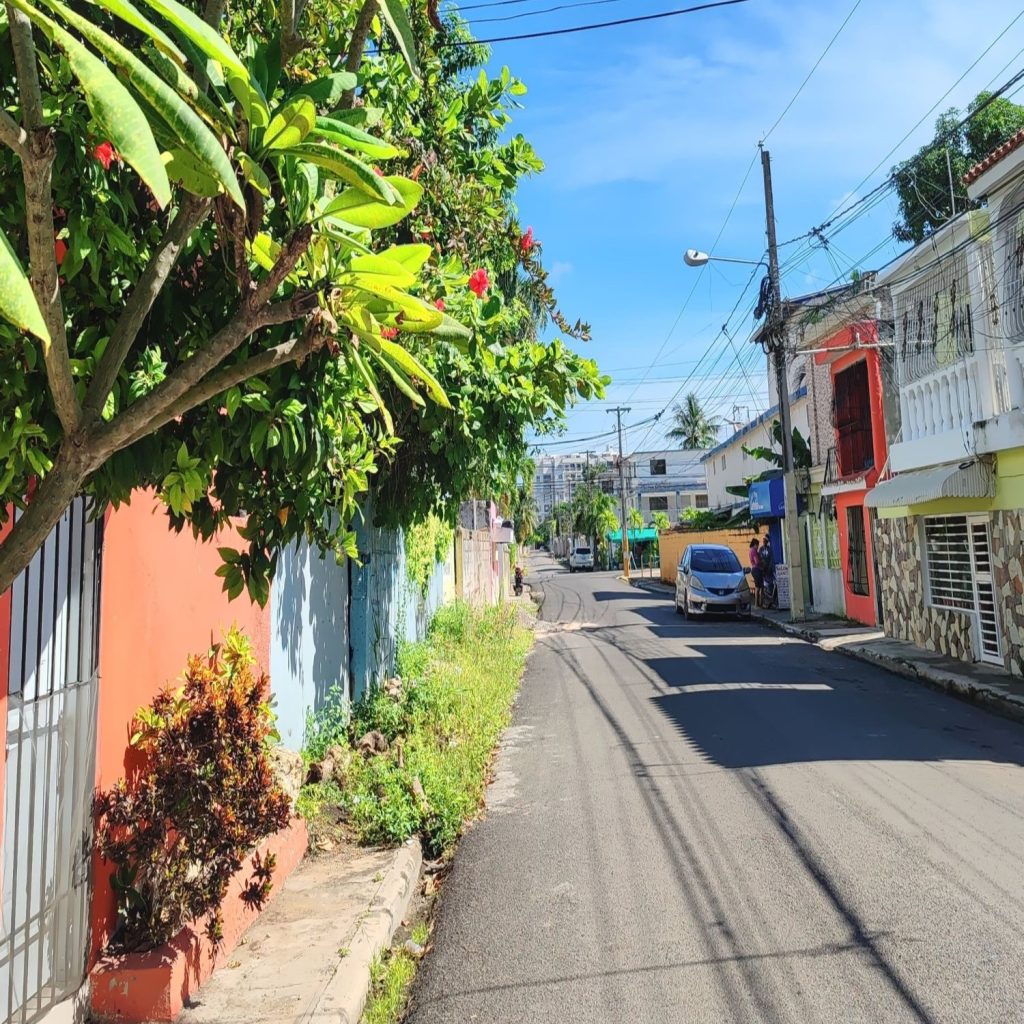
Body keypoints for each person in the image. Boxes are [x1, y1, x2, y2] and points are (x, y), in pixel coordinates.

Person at [759, 536, 776, 606]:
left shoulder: (769, 549)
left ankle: (770, 601)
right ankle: (763, 602)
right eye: (763, 541)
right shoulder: (761, 549)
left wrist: (769, 568)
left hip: (769, 570)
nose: (764, 542)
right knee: (763, 586)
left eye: (765, 541)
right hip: (763, 570)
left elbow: (771, 559)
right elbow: (759, 558)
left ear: (767, 542)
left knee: (769, 585)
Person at [748, 537, 763, 606]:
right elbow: (756, 561)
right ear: (755, 544)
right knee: (758, 587)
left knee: (758, 586)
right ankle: (757, 603)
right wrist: (762, 562)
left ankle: (758, 603)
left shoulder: (750, 550)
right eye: (757, 545)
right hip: (757, 569)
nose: (758, 547)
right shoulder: (753, 550)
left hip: (754, 569)